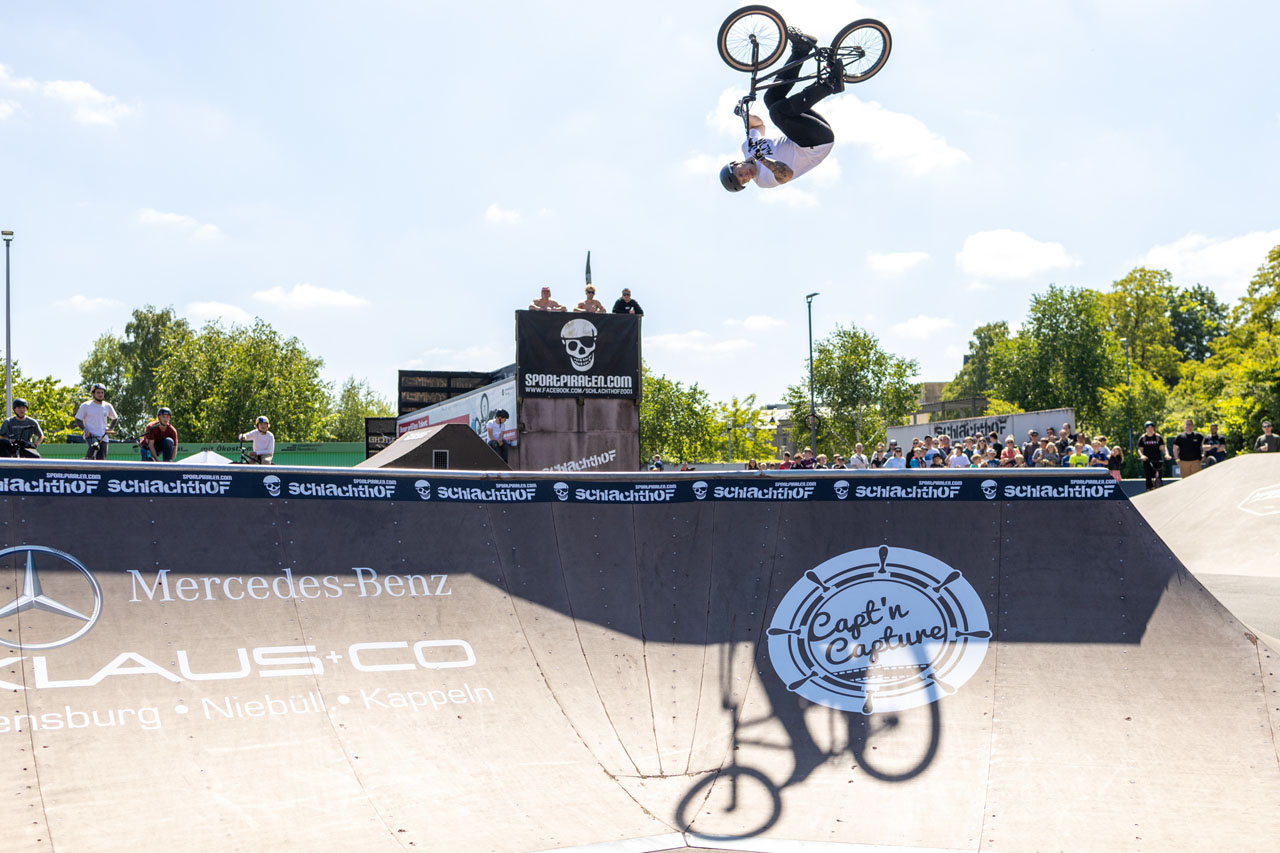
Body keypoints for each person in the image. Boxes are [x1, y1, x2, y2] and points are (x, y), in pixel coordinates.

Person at [720, 29, 845, 193]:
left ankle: (801, 50)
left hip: (806, 133)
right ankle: (830, 85)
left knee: (771, 98)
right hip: (816, 145)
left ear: (735, 164)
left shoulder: (747, 148)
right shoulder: (764, 180)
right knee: (777, 113)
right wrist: (763, 160)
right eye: (744, 180)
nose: (746, 176)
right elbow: (786, 174)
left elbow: (758, 126)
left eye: (740, 173)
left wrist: (744, 115)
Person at [74, 383, 119, 460]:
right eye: (98, 392)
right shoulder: (86, 406)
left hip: (103, 436)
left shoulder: (107, 406)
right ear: (93, 394)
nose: (100, 394)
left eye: (102, 392)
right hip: (91, 435)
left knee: (101, 459)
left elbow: (115, 418)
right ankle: (87, 461)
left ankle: (87, 460)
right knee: (95, 446)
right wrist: (85, 430)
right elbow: (78, 419)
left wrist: (110, 428)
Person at [1137, 421, 1168, 490]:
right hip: (1147, 461)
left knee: (1159, 478)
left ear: (1153, 428)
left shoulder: (1158, 437)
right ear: (1145, 429)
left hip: (1157, 460)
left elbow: (1163, 447)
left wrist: (1167, 454)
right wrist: (1142, 456)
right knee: (1148, 478)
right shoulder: (1143, 438)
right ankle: (1149, 490)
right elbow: (1140, 449)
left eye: (1151, 427)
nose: (1150, 429)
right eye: (1148, 428)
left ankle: (1159, 490)